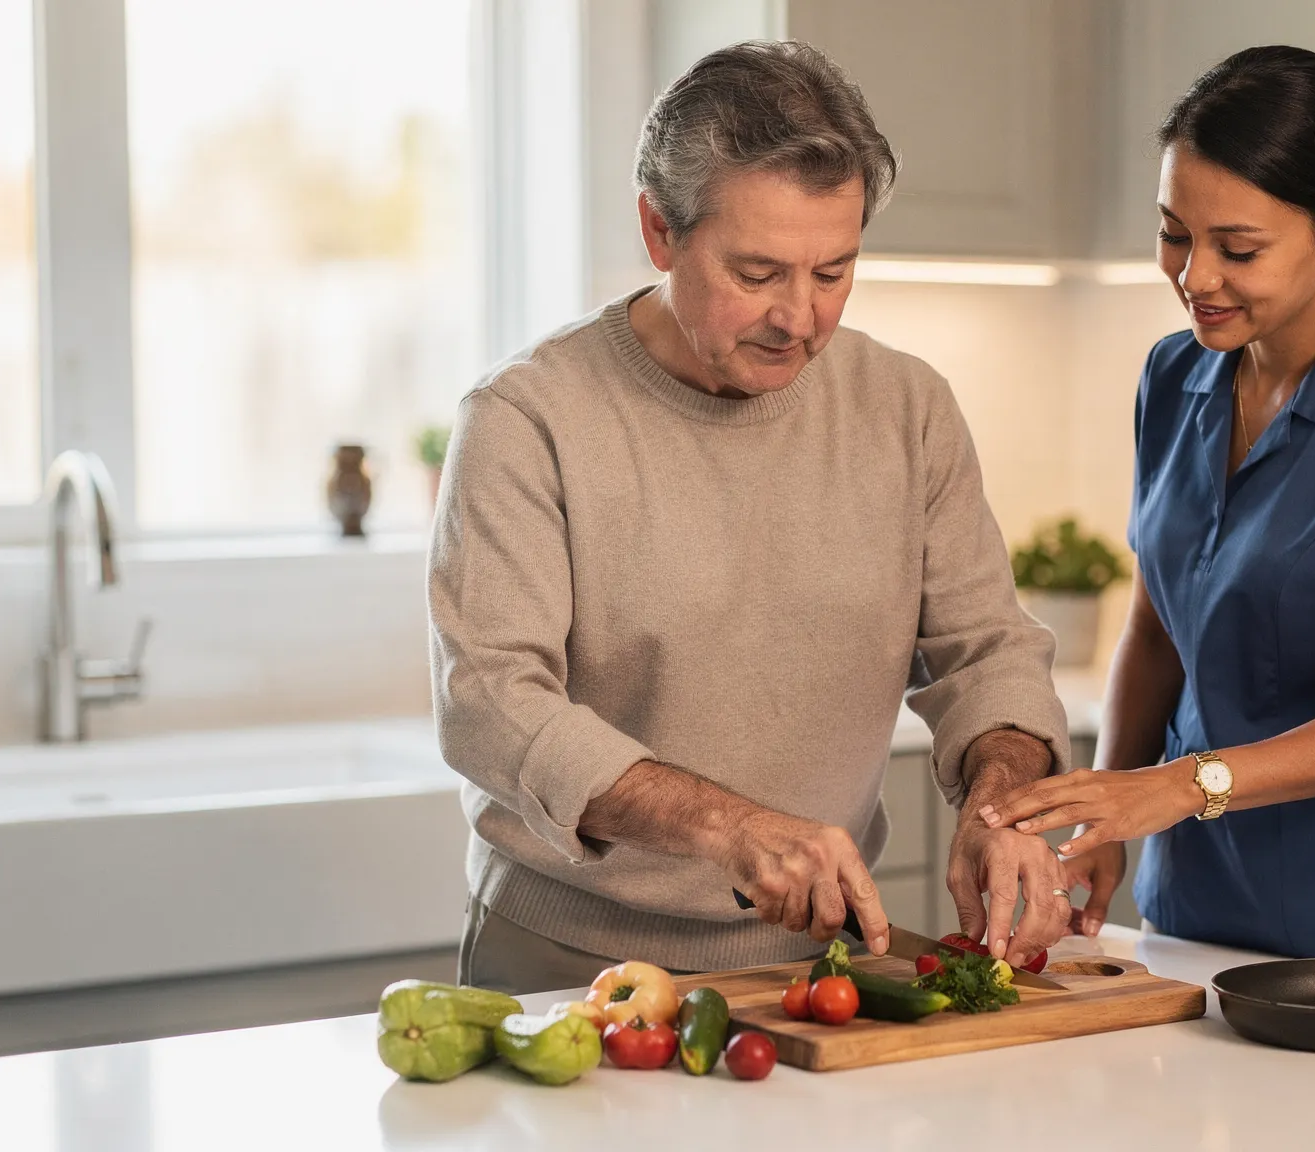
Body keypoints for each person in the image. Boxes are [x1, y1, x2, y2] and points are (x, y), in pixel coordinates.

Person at [430, 41, 1071, 992]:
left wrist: (1000, 804)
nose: (801, 318)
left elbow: (989, 653)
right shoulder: (528, 418)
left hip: (825, 963)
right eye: (759, 273)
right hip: (571, 960)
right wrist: (729, 828)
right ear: (659, 231)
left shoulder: (908, 406)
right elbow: (491, 702)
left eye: (834, 271)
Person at [979, 46, 1315, 966]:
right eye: (1175, 233)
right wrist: (1111, 813)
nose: (1195, 277)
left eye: (1239, 248)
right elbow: (1157, 628)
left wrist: (1175, 787)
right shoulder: (1173, 374)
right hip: (1198, 895)